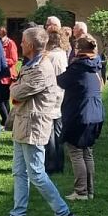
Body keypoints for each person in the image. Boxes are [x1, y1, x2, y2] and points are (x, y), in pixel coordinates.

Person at [7, 27, 78, 216]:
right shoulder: (32, 64)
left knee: (37, 174)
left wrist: (14, 88)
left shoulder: (41, 69)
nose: (20, 43)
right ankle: (17, 214)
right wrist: (15, 88)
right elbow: (17, 90)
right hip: (23, 125)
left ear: (30, 45)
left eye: (22, 41)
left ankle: (64, 213)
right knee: (19, 172)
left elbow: (16, 93)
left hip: (33, 126)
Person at [58, 35, 103, 202]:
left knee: (76, 152)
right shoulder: (97, 64)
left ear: (78, 50)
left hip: (79, 114)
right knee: (87, 152)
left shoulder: (78, 67)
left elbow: (61, 81)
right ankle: (90, 190)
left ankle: (81, 191)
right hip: (96, 113)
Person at [44, 28, 70, 174]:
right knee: (57, 131)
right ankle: (58, 163)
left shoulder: (51, 56)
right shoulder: (61, 54)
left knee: (50, 133)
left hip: (52, 94)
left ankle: (52, 164)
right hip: (60, 94)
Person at [0, 26, 19, 127]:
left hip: (7, 75)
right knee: (3, 100)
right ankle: (7, 121)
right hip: (0, 74)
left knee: (0, 100)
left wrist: (2, 60)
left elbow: (14, 59)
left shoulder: (10, 43)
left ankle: (6, 120)